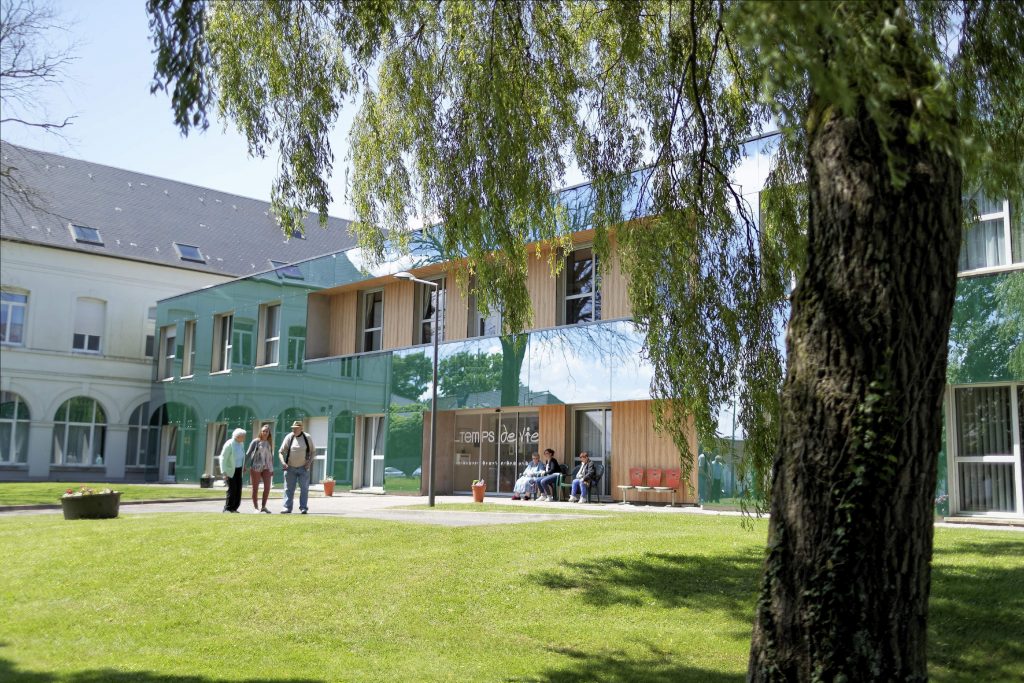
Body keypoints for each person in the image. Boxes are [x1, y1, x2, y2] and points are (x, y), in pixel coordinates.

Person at [279, 420, 315, 514]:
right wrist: (283, 462)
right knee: (288, 489)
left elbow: (313, 452)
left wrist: (309, 463)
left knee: (304, 489)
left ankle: (303, 508)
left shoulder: (307, 437)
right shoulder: (289, 437)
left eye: (296, 428)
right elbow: (280, 452)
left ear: (301, 428)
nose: (294, 430)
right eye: (293, 428)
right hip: (290, 467)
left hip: (303, 468)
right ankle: (287, 508)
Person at [246, 424, 274, 513]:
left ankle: (263, 507)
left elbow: (270, 456)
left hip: (267, 467)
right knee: (255, 488)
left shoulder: (269, 442)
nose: (265, 433)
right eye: (263, 431)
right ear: (260, 432)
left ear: (269, 433)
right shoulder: (256, 441)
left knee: (267, 487)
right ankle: (256, 508)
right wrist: (244, 465)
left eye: (267, 431)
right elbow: (248, 453)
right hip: (256, 466)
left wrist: (272, 468)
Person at [220, 427, 246, 513]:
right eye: (243, 436)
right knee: (232, 489)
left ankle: (234, 508)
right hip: (230, 470)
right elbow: (222, 458)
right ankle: (227, 508)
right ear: (238, 436)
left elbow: (241, 456)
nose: (244, 438)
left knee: (238, 489)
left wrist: (243, 466)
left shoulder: (241, 444)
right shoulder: (229, 444)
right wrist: (224, 472)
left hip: (239, 469)